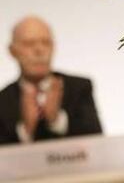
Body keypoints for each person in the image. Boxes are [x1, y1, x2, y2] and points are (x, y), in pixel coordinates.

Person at [0, 16, 102, 144]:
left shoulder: (79, 88)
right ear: (12, 51)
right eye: (29, 44)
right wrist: (25, 130)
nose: (39, 50)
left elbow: (97, 145)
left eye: (46, 42)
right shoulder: (3, 100)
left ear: (53, 47)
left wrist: (57, 120)